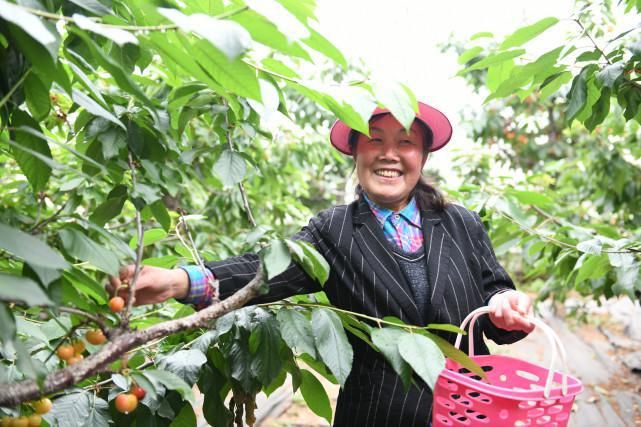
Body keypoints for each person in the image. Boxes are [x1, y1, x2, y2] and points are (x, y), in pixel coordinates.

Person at [109, 101, 534, 427]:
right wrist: (181, 281)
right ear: (355, 152)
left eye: (405, 141)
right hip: (375, 415)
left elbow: (494, 294)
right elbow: (266, 271)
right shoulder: (335, 230)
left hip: (469, 412)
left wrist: (508, 307)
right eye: (374, 139)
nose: (389, 153)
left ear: (422, 156)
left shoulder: (459, 222)